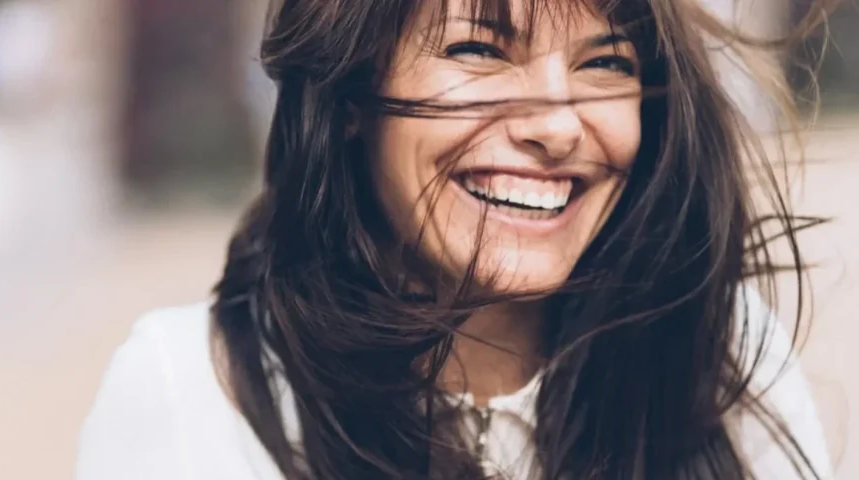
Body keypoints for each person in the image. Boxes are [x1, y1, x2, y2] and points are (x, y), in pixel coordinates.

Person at [76, 0, 836, 478]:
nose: (556, 125)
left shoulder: (720, 354)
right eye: (477, 50)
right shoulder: (196, 394)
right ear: (348, 93)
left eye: (604, 62)